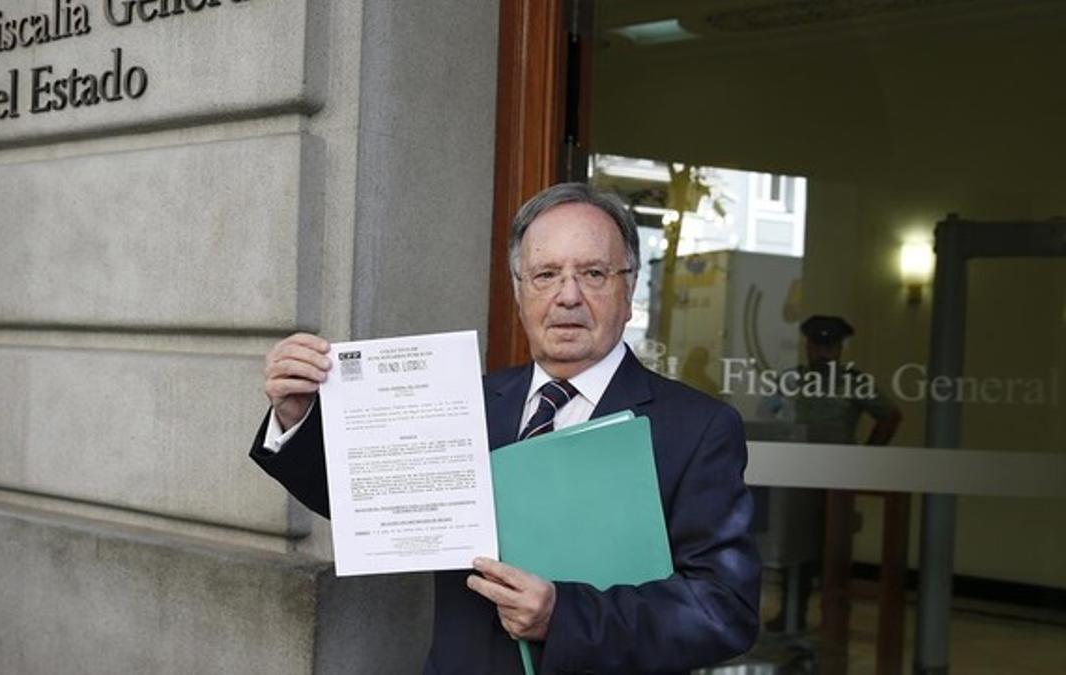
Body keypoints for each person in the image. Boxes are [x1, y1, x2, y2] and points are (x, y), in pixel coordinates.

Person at [249, 182, 761, 674]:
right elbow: (364, 498)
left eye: (594, 274)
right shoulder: (461, 402)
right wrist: (296, 416)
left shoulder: (698, 428)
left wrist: (564, 615)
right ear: (519, 294)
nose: (568, 296)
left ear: (628, 293)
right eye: (545, 275)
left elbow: (722, 610)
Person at [762, 315, 902, 632]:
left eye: (829, 345)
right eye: (817, 345)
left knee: (832, 550)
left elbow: (890, 416)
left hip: (835, 479)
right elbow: (767, 414)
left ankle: (834, 616)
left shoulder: (854, 382)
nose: (822, 351)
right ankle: (791, 612)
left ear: (839, 349)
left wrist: (864, 459)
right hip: (795, 477)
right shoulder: (792, 380)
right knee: (793, 547)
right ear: (807, 346)